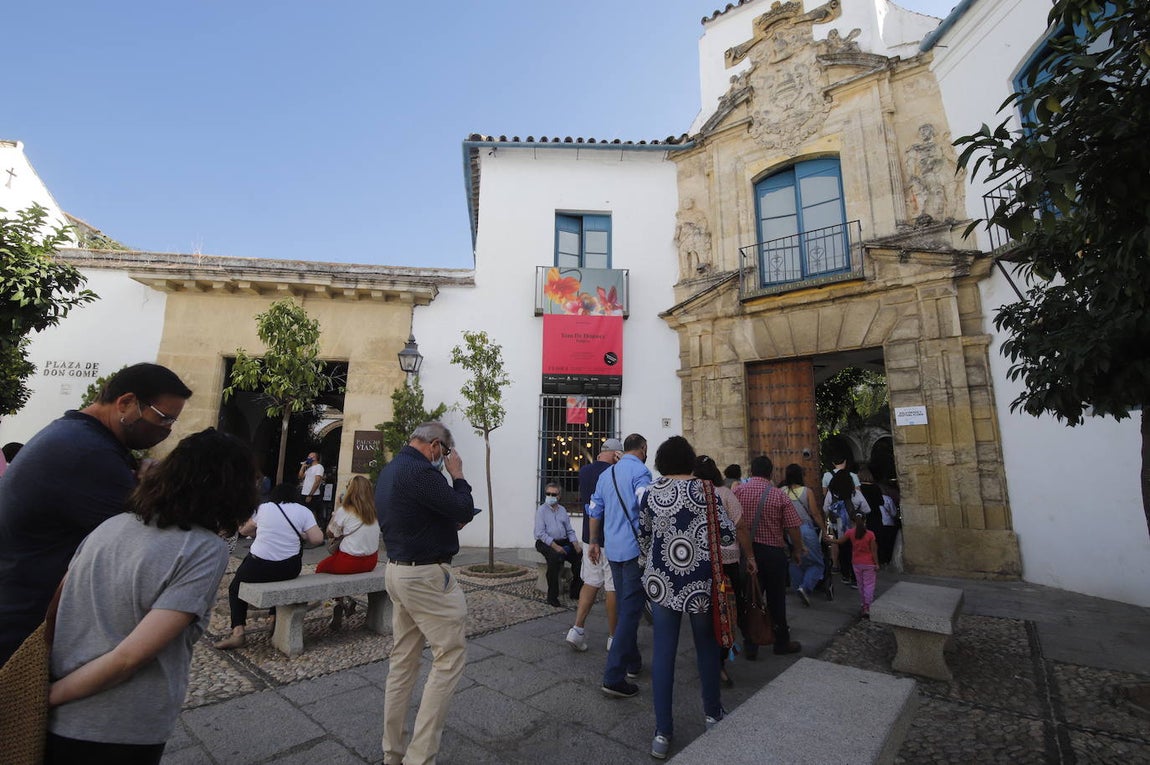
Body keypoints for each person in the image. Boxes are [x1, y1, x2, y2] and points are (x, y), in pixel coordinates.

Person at [46, 428, 257, 764]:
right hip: (121, 724)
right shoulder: (204, 549)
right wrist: (49, 697)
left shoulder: (110, 525)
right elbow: (129, 657)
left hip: (59, 720)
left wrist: (45, 693)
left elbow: (55, 609)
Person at [0, 362, 192, 666]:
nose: (167, 429)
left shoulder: (78, 435)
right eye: (163, 417)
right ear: (126, 403)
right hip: (24, 627)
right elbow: (152, 535)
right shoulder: (88, 453)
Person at [376, 422, 477, 765]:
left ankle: (392, 751)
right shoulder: (422, 472)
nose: (445, 458)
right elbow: (462, 508)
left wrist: (446, 521)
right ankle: (419, 758)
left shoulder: (391, 470)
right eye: (444, 452)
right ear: (435, 446)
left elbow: (413, 516)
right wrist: (458, 475)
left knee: (403, 662)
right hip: (426, 577)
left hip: (397, 570)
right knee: (449, 657)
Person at [640, 437, 736, 759]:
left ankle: (662, 733)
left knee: (663, 653)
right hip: (700, 583)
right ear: (690, 460)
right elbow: (727, 535)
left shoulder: (651, 492)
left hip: (662, 582)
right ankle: (712, 714)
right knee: (706, 648)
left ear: (661, 462)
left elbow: (644, 536)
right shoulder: (707, 491)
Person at [213, 482, 323, 649]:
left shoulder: (264, 508)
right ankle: (273, 619)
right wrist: (302, 534)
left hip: (259, 566)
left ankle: (238, 633)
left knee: (235, 588)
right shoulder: (304, 511)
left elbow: (243, 531)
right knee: (277, 581)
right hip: (289, 568)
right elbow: (317, 539)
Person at [588, 433, 652, 699]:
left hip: (612, 549)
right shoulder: (641, 472)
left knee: (628, 608)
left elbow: (594, 509)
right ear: (643, 448)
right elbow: (646, 506)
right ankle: (613, 675)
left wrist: (594, 541)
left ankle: (633, 662)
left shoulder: (606, 475)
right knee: (631, 611)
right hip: (634, 550)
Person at [693, 455, 756, 687]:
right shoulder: (726, 494)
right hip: (727, 562)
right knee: (727, 611)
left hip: (701, 562)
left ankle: (709, 659)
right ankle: (719, 661)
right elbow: (740, 527)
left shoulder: (691, 495)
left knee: (704, 613)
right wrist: (750, 557)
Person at [733, 455, 804, 657]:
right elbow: (792, 527)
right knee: (776, 599)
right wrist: (797, 550)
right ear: (770, 473)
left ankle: (751, 643)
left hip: (747, 552)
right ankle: (781, 642)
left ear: (751, 471)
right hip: (773, 553)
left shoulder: (738, 491)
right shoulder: (779, 495)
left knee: (750, 598)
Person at [566, 438, 622, 652]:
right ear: (616, 454)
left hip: (590, 537)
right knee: (612, 587)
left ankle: (577, 629)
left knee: (590, 582)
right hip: (611, 537)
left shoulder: (585, 471)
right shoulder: (615, 472)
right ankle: (614, 637)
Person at [317, 475, 381, 627]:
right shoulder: (374, 512)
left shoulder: (345, 510)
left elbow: (331, 533)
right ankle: (343, 600)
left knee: (321, 568)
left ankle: (341, 601)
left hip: (349, 561)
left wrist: (335, 514)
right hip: (371, 560)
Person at [534, 482, 582, 607]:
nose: (550, 496)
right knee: (554, 559)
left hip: (562, 540)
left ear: (559, 496)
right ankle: (552, 596)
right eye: (548, 493)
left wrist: (575, 544)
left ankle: (575, 591)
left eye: (553, 494)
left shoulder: (562, 510)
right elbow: (540, 533)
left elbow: (569, 530)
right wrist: (556, 547)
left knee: (579, 557)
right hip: (545, 542)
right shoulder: (541, 510)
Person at [827, 509, 879, 617]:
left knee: (861, 585)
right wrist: (877, 563)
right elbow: (874, 551)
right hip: (869, 563)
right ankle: (868, 606)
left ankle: (863, 605)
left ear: (852, 521)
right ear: (865, 520)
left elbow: (840, 541)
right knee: (869, 585)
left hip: (856, 563)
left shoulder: (850, 532)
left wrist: (829, 540)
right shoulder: (870, 534)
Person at [824, 469, 866, 588]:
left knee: (843, 550)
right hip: (854, 527)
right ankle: (855, 578)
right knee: (855, 551)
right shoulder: (856, 494)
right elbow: (866, 509)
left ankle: (845, 575)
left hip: (838, 527)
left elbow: (825, 508)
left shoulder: (831, 494)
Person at [298, 451, 325, 518]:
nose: (308, 457)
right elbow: (300, 477)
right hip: (304, 492)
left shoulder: (319, 467)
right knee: (304, 512)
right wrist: (302, 467)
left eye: (310, 456)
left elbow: (317, 481)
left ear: (315, 458)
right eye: (308, 456)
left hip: (313, 494)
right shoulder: (309, 468)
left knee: (311, 512)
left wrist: (310, 495)